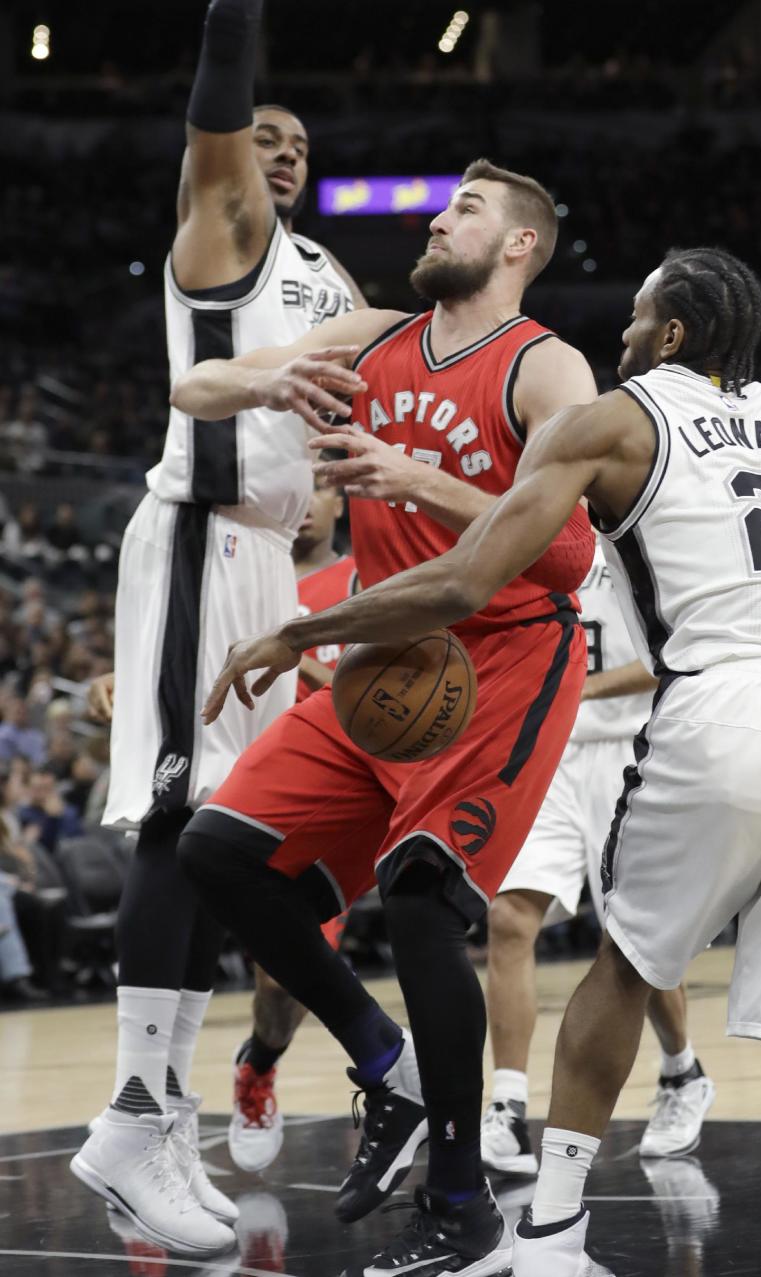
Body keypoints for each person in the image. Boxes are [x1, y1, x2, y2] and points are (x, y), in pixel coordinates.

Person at [205, 247, 761, 1277]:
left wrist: (307, 631)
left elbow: (469, 578)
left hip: (722, 710)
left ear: (673, 336)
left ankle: (554, 1232)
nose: (621, 335)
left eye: (637, 318)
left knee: (623, 970)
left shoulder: (614, 418)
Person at [172, 158, 598, 1274]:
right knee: (215, 849)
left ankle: (462, 1208)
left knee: (420, 902)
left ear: (519, 245)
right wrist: (274, 388)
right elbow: (193, 390)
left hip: (501, 657)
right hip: (381, 659)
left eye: (464, 208)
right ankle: (386, 1063)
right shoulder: (372, 337)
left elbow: (569, 549)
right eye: (441, 202)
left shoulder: (547, 369)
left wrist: (418, 478)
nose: (434, 216)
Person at [69, 0, 365, 1258]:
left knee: (224, 841)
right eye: (262, 132)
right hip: (198, 531)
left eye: (298, 139)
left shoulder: (328, 276)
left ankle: (161, 1110)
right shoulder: (222, 231)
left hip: (269, 565)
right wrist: (234, 22)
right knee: (178, 816)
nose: (277, 147)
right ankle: (140, 1109)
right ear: (231, 151)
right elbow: (221, 102)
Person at [482, 531, 714, 1175]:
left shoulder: (646, 532)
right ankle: (506, 1106)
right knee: (508, 919)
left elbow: (676, 652)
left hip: (628, 750)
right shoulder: (527, 529)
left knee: (634, 935)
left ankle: (682, 1071)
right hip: (548, 755)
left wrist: (579, 687)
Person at [229, 475, 358, 1173]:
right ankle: (148, 1108)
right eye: (295, 489)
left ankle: (259, 1063)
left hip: (331, 802)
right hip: (240, 790)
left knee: (286, 983)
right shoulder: (248, 573)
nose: (305, 502)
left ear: (341, 499)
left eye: (319, 490)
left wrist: (292, 652)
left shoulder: (367, 578)